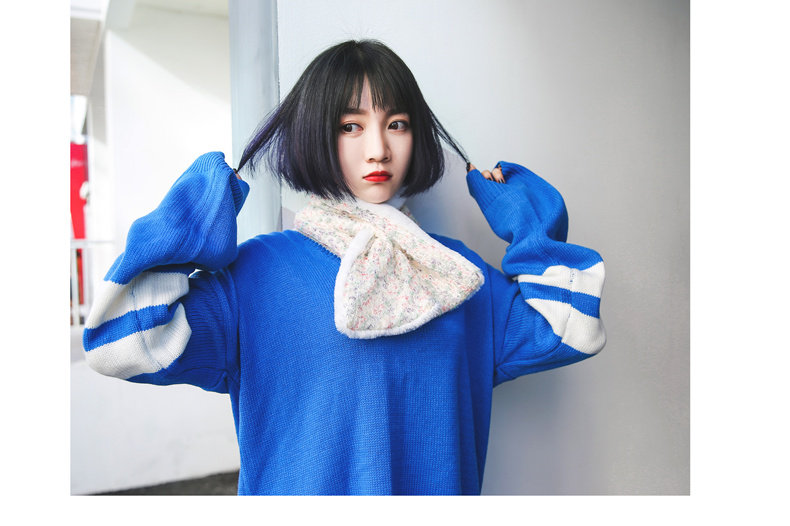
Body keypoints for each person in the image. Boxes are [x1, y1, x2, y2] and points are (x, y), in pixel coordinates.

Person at [82, 40, 606, 495]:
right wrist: (198, 210)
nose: (378, 149)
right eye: (350, 126)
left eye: (396, 124)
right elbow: (118, 340)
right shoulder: (255, 275)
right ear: (316, 135)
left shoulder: (461, 276)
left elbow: (572, 327)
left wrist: (522, 212)